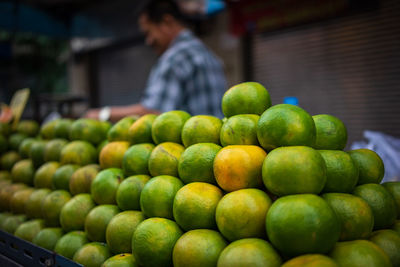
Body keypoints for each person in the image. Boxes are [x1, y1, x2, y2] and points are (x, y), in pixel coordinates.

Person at [85, 0, 227, 121]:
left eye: (148, 32)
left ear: (166, 22)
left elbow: (152, 112)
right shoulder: (207, 53)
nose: (148, 41)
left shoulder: (176, 58)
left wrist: (103, 114)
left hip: (191, 150)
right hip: (218, 150)